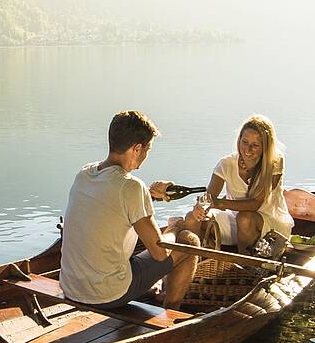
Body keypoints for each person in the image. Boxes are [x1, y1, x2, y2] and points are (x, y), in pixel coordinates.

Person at [60, 110, 205, 311]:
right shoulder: (131, 187)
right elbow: (160, 254)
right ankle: (170, 315)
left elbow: (112, 195)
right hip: (107, 294)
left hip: (70, 286)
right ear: (137, 149)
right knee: (189, 241)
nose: (146, 156)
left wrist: (152, 195)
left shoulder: (84, 174)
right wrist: (174, 227)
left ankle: (150, 288)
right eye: (148, 150)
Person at [204, 114, 293, 257]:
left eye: (255, 145)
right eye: (244, 142)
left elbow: (255, 204)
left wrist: (220, 203)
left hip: (271, 225)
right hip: (235, 221)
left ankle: (246, 267)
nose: (248, 149)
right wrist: (201, 209)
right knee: (195, 217)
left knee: (245, 219)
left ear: (265, 147)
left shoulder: (275, 161)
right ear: (239, 140)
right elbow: (209, 198)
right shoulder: (226, 163)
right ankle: (191, 264)